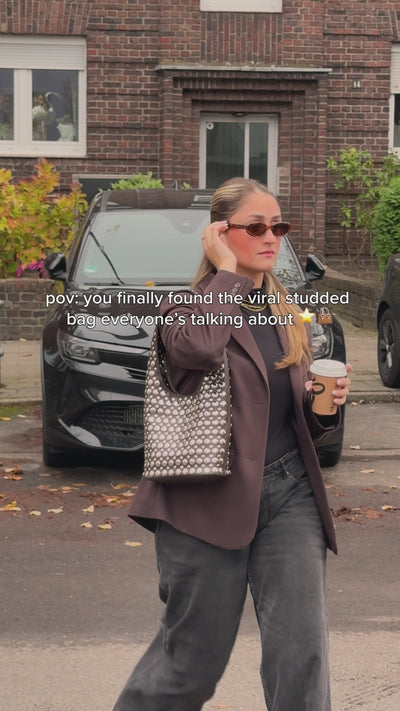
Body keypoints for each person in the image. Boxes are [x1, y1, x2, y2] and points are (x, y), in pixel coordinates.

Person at [113, 177, 351, 711]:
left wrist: (326, 405)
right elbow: (198, 350)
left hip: (290, 494)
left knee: (302, 657)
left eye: (278, 227)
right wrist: (225, 274)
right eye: (256, 226)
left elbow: (298, 423)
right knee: (189, 666)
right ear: (219, 233)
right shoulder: (185, 310)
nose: (271, 237)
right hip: (204, 499)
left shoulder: (288, 316)